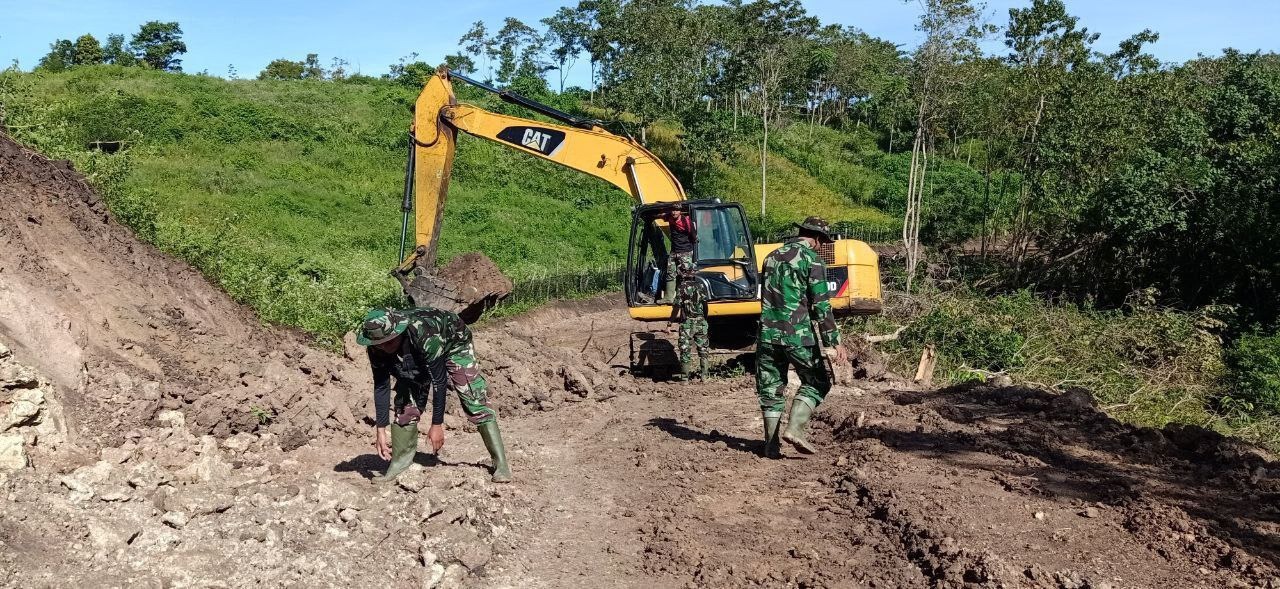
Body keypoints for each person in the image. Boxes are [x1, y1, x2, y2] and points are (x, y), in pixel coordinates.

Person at [357, 307, 512, 483]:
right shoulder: (376, 347)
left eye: (389, 341)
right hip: (417, 353)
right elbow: (381, 386)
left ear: (398, 331)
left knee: (473, 397)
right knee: (405, 400)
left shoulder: (424, 334)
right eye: (380, 343)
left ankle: (501, 464)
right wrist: (381, 429)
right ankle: (399, 463)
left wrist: (437, 424)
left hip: (454, 342)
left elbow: (439, 381)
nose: (385, 347)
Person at [755, 216, 849, 458]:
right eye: (823, 242)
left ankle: (771, 445)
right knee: (817, 382)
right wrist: (833, 341)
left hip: (767, 335)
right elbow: (821, 306)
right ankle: (795, 429)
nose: (822, 246)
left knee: (771, 389)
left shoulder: (771, 257)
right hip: (798, 336)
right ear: (817, 239)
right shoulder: (812, 260)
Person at [671, 257, 710, 381]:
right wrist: (704, 319)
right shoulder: (701, 286)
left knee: (685, 350)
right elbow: (705, 305)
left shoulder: (681, 288)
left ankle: (685, 379)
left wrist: (670, 321)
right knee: (703, 350)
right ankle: (704, 376)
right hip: (700, 321)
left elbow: (677, 306)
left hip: (687, 323)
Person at [659, 207, 696, 304]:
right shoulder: (669, 217)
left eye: (676, 210)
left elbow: (694, 236)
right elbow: (662, 216)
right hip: (674, 252)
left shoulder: (686, 222)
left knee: (686, 275)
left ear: (680, 211)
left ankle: (688, 298)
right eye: (672, 210)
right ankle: (668, 298)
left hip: (685, 252)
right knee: (670, 273)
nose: (674, 212)